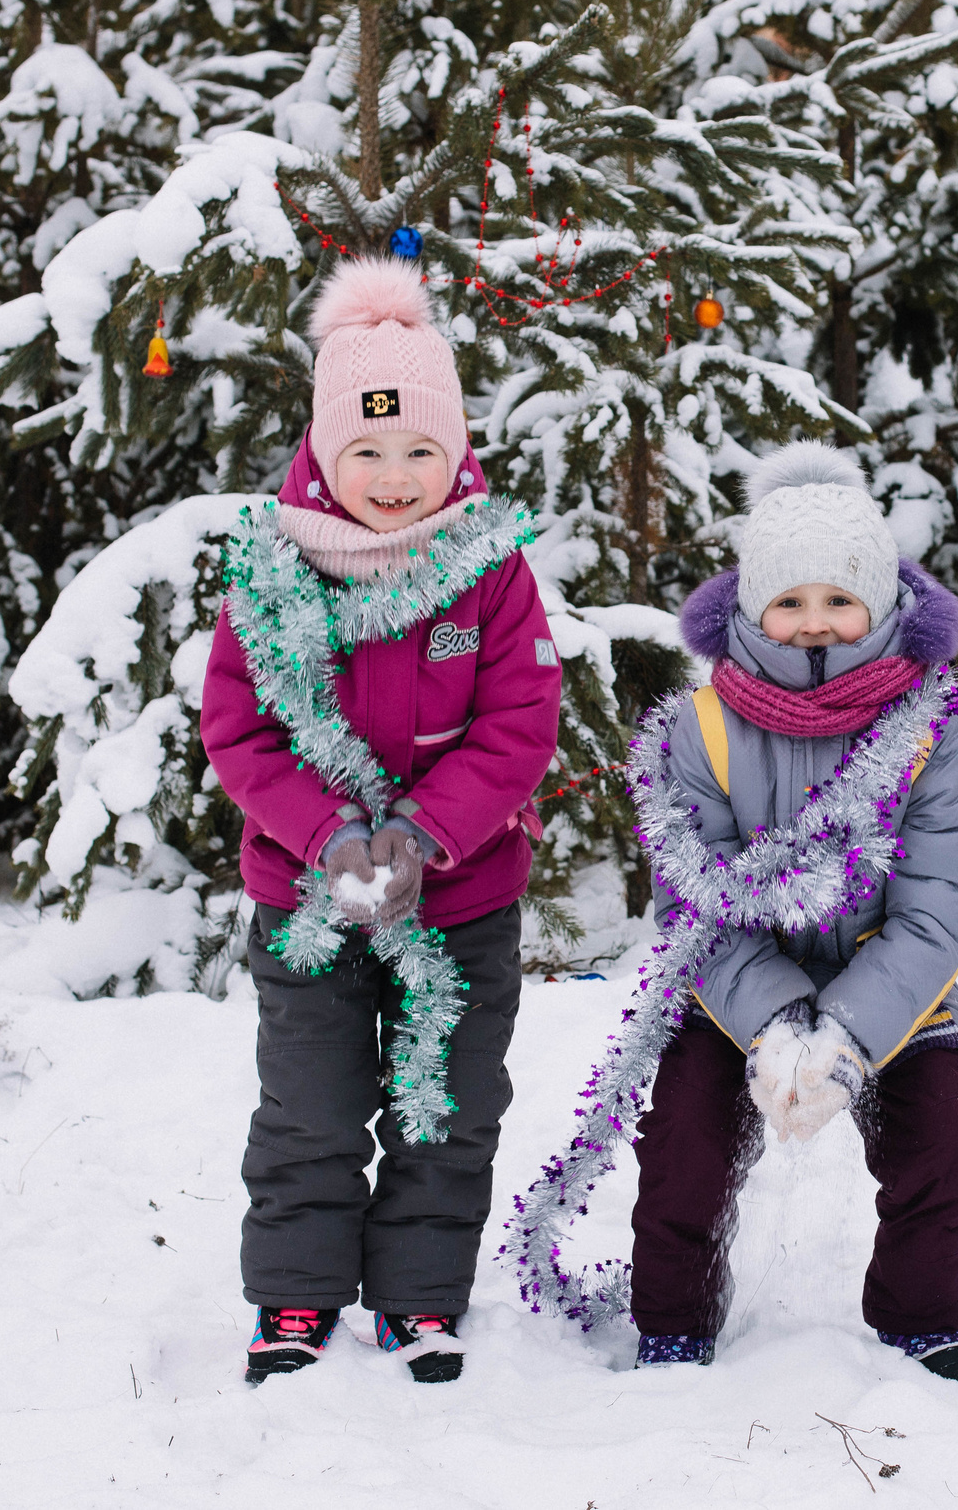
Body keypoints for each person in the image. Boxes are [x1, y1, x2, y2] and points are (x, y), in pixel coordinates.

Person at [200, 258, 562, 1385]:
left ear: (455, 451)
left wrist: (426, 835)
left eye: (421, 451)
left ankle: (417, 1298)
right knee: (311, 1108)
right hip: (304, 900)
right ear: (322, 452)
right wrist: (326, 838)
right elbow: (240, 730)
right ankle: (298, 1296)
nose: (396, 478)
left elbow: (518, 723)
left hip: (459, 899)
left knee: (443, 1106)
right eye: (368, 452)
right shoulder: (271, 568)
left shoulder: (487, 570)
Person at [627, 444, 958, 1380]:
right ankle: (674, 1322)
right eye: (789, 601)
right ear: (751, 604)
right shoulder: (700, 728)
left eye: (839, 600)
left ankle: (922, 1320)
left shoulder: (928, 722)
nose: (813, 625)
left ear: (881, 604)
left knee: (944, 1138)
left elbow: (941, 904)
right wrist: (779, 1021)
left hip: (894, 990)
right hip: (735, 990)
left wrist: (844, 1033)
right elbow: (694, 901)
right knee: (685, 1136)